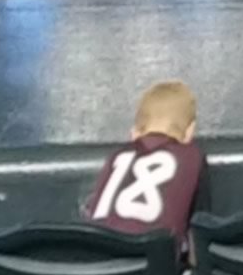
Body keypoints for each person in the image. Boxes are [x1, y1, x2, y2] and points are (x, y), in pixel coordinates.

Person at [85, 81, 205, 245]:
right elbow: (200, 230)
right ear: (190, 131)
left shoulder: (116, 157)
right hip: (152, 264)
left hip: (97, 259)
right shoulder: (192, 157)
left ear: (135, 133)